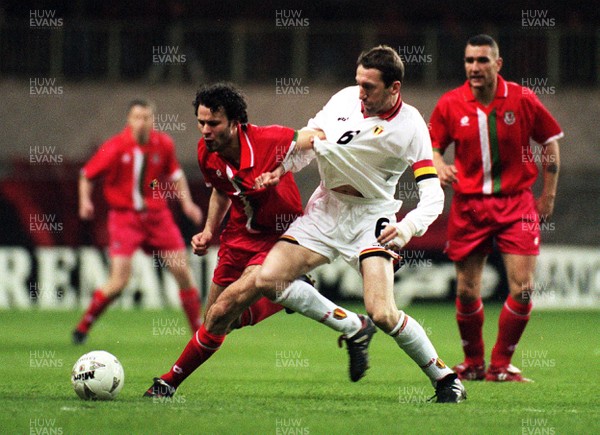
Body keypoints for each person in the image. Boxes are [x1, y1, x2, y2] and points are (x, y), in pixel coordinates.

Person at [254, 45, 466, 402]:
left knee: (382, 312)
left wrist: (407, 227)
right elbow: (309, 142)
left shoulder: (412, 126)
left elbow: (433, 196)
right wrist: (279, 169)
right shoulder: (344, 99)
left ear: (394, 88)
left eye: (370, 86)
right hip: (327, 208)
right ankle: (351, 326)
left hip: (373, 217)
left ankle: (446, 380)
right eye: (359, 83)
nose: (361, 93)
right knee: (268, 280)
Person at [144, 83, 376, 398]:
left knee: (222, 309)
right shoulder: (206, 152)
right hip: (238, 236)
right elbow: (221, 189)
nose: (205, 130)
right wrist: (210, 231)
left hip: (279, 236)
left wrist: (286, 169)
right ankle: (289, 292)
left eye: (213, 123)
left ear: (235, 122)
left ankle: (167, 383)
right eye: (201, 123)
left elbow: (316, 139)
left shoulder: (270, 140)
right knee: (220, 320)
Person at [429, 34, 563, 382]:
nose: (475, 67)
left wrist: (547, 195)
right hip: (469, 206)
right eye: (469, 61)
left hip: (516, 203)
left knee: (522, 288)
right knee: (466, 290)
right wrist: (438, 165)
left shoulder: (522, 98)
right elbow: (433, 146)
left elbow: (549, 141)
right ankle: (472, 363)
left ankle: (500, 365)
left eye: (482, 60)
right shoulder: (450, 103)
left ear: (497, 64)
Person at [72, 99, 203, 344]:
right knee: (119, 281)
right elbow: (85, 176)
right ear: (129, 120)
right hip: (125, 219)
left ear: (153, 120)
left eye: (146, 117)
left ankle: (198, 333)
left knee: (182, 271)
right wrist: (84, 202)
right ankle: (83, 326)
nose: (142, 122)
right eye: (137, 117)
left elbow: (176, 176)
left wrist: (187, 204)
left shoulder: (163, 144)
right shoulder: (114, 148)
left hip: (157, 217)